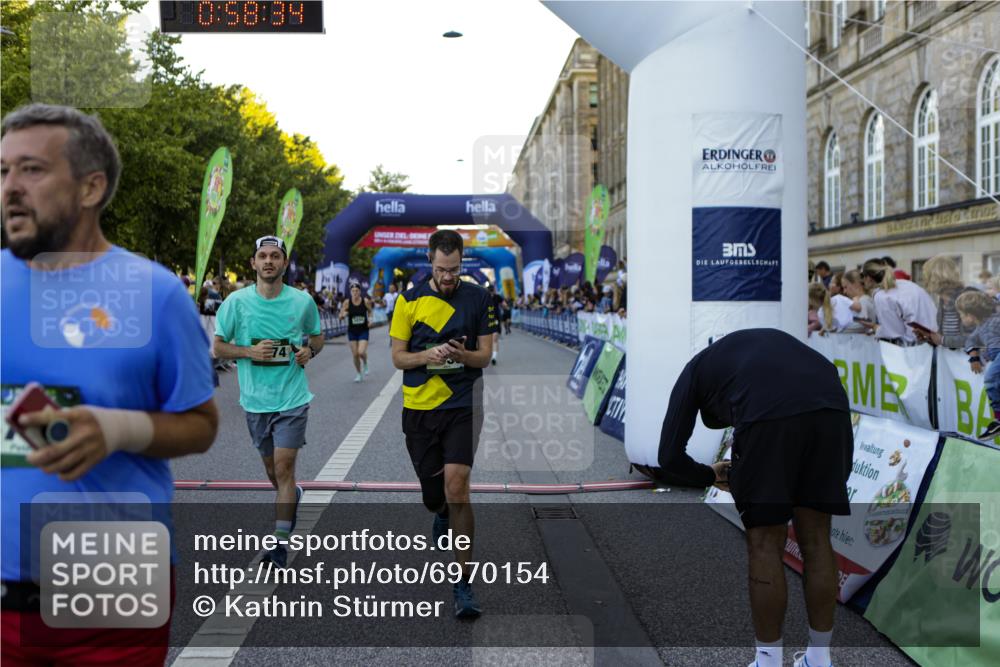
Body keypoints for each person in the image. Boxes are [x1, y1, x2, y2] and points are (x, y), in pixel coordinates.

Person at [1, 103, 219, 664]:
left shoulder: (155, 294)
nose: (10, 188)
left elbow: (200, 426)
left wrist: (116, 428)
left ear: (91, 187)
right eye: (3, 171)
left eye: (31, 170)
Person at [655, 329, 852, 667]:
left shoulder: (693, 373)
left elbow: (669, 457)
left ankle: (767, 661)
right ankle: (819, 659)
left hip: (769, 413)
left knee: (765, 543)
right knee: (818, 539)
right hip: (832, 406)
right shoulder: (740, 352)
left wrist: (713, 474)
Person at [389, 230, 497, 619]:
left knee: (458, 485)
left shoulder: (479, 297)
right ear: (429, 261)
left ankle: (464, 582)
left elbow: (484, 357)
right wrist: (429, 355)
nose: (448, 276)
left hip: (464, 403)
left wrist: (462, 355)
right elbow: (399, 358)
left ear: (462, 262)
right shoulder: (409, 299)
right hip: (419, 407)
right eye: (441, 269)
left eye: (454, 269)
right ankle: (439, 512)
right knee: (437, 496)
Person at [213, 235, 323, 567]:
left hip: (292, 397)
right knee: (272, 471)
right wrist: (248, 351)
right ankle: (293, 496)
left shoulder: (302, 302)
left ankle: (279, 544)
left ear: (285, 264)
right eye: (263, 256)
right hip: (255, 401)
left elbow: (316, 338)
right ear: (253, 263)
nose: (269, 261)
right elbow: (218, 348)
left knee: (284, 467)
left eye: (275, 256)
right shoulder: (235, 302)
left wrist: (309, 351)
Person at [861, 259, 937, 345]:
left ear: (868, 278)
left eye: (862, 275)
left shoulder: (882, 296)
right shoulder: (906, 284)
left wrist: (876, 328)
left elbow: (894, 333)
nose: (862, 280)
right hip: (933, 339)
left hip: (913, 346)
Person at [956, 291, 1000, 440]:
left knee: (990, 379)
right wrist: (974, 357)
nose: (961, 318)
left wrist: (985, 355)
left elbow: (994, 346)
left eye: (962, 315)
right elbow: (970, 341)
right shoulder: (981, 327)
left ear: (971, 315)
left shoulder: (995, 321)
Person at [914, 254, 976, 348]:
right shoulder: (943, 300)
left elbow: (975, 339)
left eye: (926, 276)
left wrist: (942, 340)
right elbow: (946, 338)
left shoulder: (966, 298)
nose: (924, 280)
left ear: (935, 278)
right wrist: (929, 338)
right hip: (951, 360)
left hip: (969, 361)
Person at [339, 280, 373, 382]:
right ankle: (358, 374)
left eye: (357, 291)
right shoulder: (347, 302)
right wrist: (342, 315)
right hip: (352, 331)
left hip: (363, 330)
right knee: (355, 354)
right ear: (350, 292)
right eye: (353, 291)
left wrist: (370, 321)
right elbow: (341, 314)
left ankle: (366, 363)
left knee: (361, 352)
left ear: (360, 292)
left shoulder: (365, 301)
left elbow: (370, 312)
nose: (355, 293)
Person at [840, 269, 877, 334]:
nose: (844, 292)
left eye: (845, 287)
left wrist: (839, 329)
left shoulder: (864, 300)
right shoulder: (861, 300)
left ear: (855, 284)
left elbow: (863, 325)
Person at [487, 283, 504, 365]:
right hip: (495, 320)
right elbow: (504, 305)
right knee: (495, 340)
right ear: (493, 290)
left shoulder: (484, 297)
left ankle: (491, 356)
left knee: (488, 340)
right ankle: (494, 357)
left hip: (486, 321)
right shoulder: (497, 297)